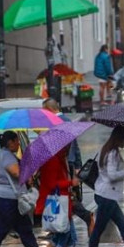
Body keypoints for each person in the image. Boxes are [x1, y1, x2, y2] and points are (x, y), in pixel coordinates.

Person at [42, 97, 94, 233]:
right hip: (66, 163)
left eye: (44, 111)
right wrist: (78, 164)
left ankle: (84, 217)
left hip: (63, 164)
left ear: (50, 109)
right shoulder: (65, 120)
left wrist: (76, 165)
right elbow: (75, 145)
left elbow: (65, 146)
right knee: (63, 196)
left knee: (64, 195)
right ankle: (63, 227)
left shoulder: (58, 122)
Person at [34, 147, 81, 247]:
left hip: (63, 201)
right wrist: (70, 183)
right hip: (59, 202)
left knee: (63, 234)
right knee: (64, 234)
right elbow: (52, 183)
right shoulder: (53, 159)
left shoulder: (59, 157)